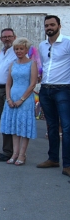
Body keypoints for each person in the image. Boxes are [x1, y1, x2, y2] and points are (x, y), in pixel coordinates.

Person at [37, 15, 70, 177]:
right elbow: (44, 65)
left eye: (52, 24)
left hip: (64, 89)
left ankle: (68, 164)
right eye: (46, 25)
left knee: (66, 127)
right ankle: (53, 158)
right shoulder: (42, 45)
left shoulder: (68, 42)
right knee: (50, 126)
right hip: (45, 89)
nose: (49, 27)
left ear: (59, 25)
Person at [0, 38, 38, 166]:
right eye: (16, 49)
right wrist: (9, 99)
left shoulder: (32, 63)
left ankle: (22, 154)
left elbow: (33, 84)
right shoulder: (13, 64)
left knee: (23, 127)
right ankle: (14, 153)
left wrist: (21, 99)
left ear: (26, 49)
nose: (19, 51)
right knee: (14, 127)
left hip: (25, 99)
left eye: (21, 49)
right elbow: (8, 83)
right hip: (12, 98)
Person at [0, 28, 18, 162]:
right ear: (1, 39)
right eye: (4, 37)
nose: (7, 39)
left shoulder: (17, 52)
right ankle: (7, 150)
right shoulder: (1, 53)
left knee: (11, 120)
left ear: (14, 37)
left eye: (9, 36)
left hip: (12, 90)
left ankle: (13, 151)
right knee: (4, 121)